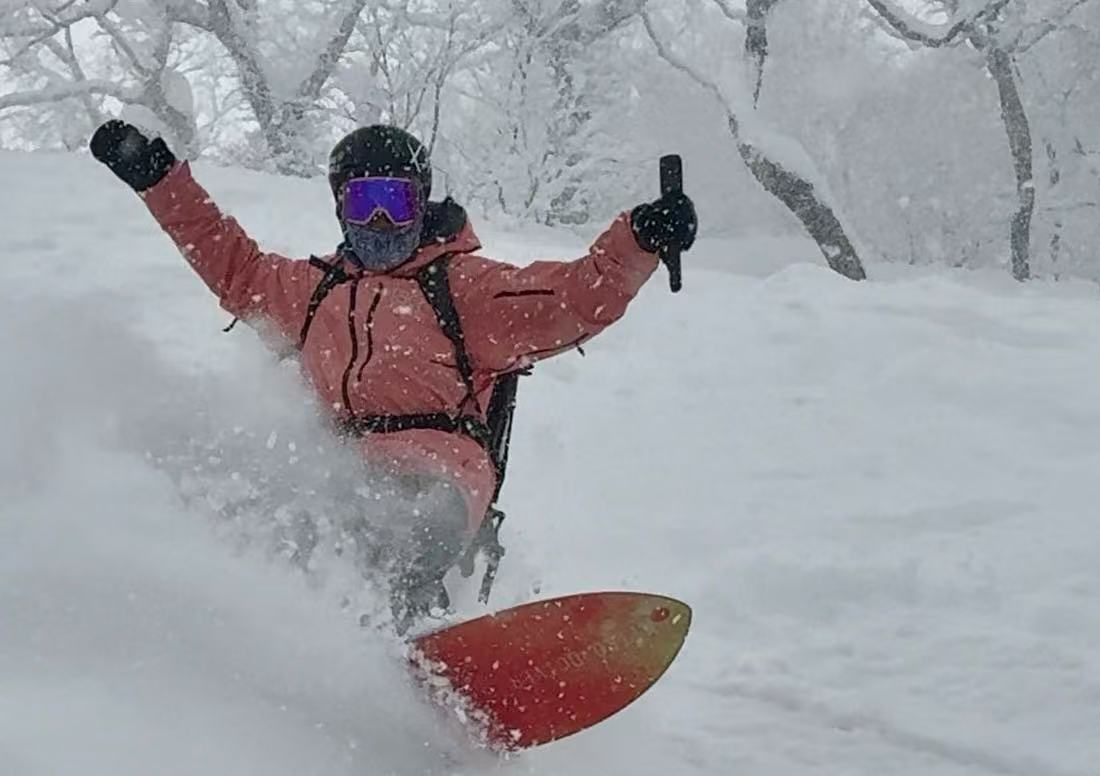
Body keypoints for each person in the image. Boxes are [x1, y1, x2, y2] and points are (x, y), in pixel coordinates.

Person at [90, 120, 697, 632]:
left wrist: (639, 242)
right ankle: (274, 624)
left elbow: (569, 299)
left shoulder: (461, 287)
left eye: (396, 202)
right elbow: (234, 267)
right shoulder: (315, 292)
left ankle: (416, 639)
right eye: (364, 203)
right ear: (340, 208)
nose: (380, 221)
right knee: (275, 506)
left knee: (417, 519)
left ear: (421, 203)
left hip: (442, 466)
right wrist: (160, 182)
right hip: (346, 466)